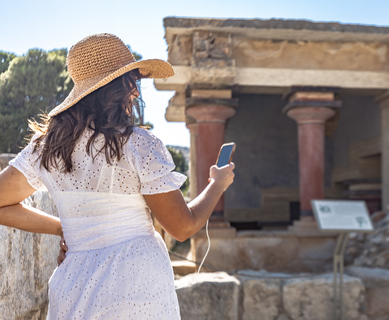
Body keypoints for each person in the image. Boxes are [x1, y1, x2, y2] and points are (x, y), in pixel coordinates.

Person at [0, 33, 235, 319]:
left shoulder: (45, 148)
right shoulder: (138, 144)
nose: (136, 91)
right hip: (136, 285)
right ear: (117, 88)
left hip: (73, 285)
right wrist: (217, 184)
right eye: (132, 81)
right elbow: (182, 227)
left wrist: (64, 228)